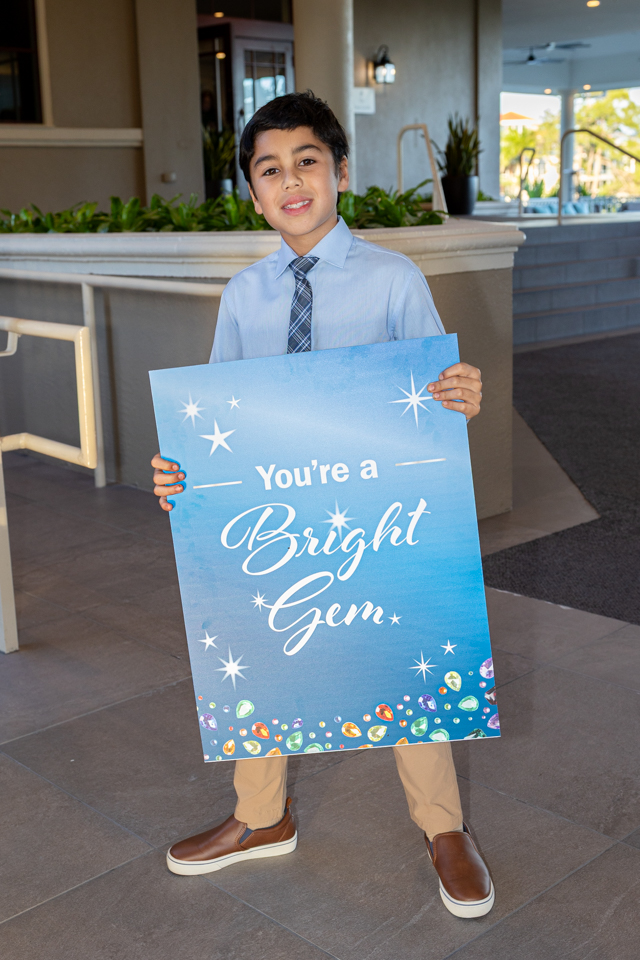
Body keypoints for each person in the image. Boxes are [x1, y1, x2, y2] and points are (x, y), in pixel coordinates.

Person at [151, 92, 492, 919]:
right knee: (265, 647)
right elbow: (219, 413)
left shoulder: (393, 279)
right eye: (270, 169)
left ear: (340, 171)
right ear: (253, 194)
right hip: (277, 516)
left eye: (307, 161)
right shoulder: (244, 296)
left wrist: (460, 395)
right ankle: (261, 816)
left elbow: (433, 399)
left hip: (373, 512)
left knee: (401, 648)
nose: (291, 181)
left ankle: (443, 827)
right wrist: (181, 471)